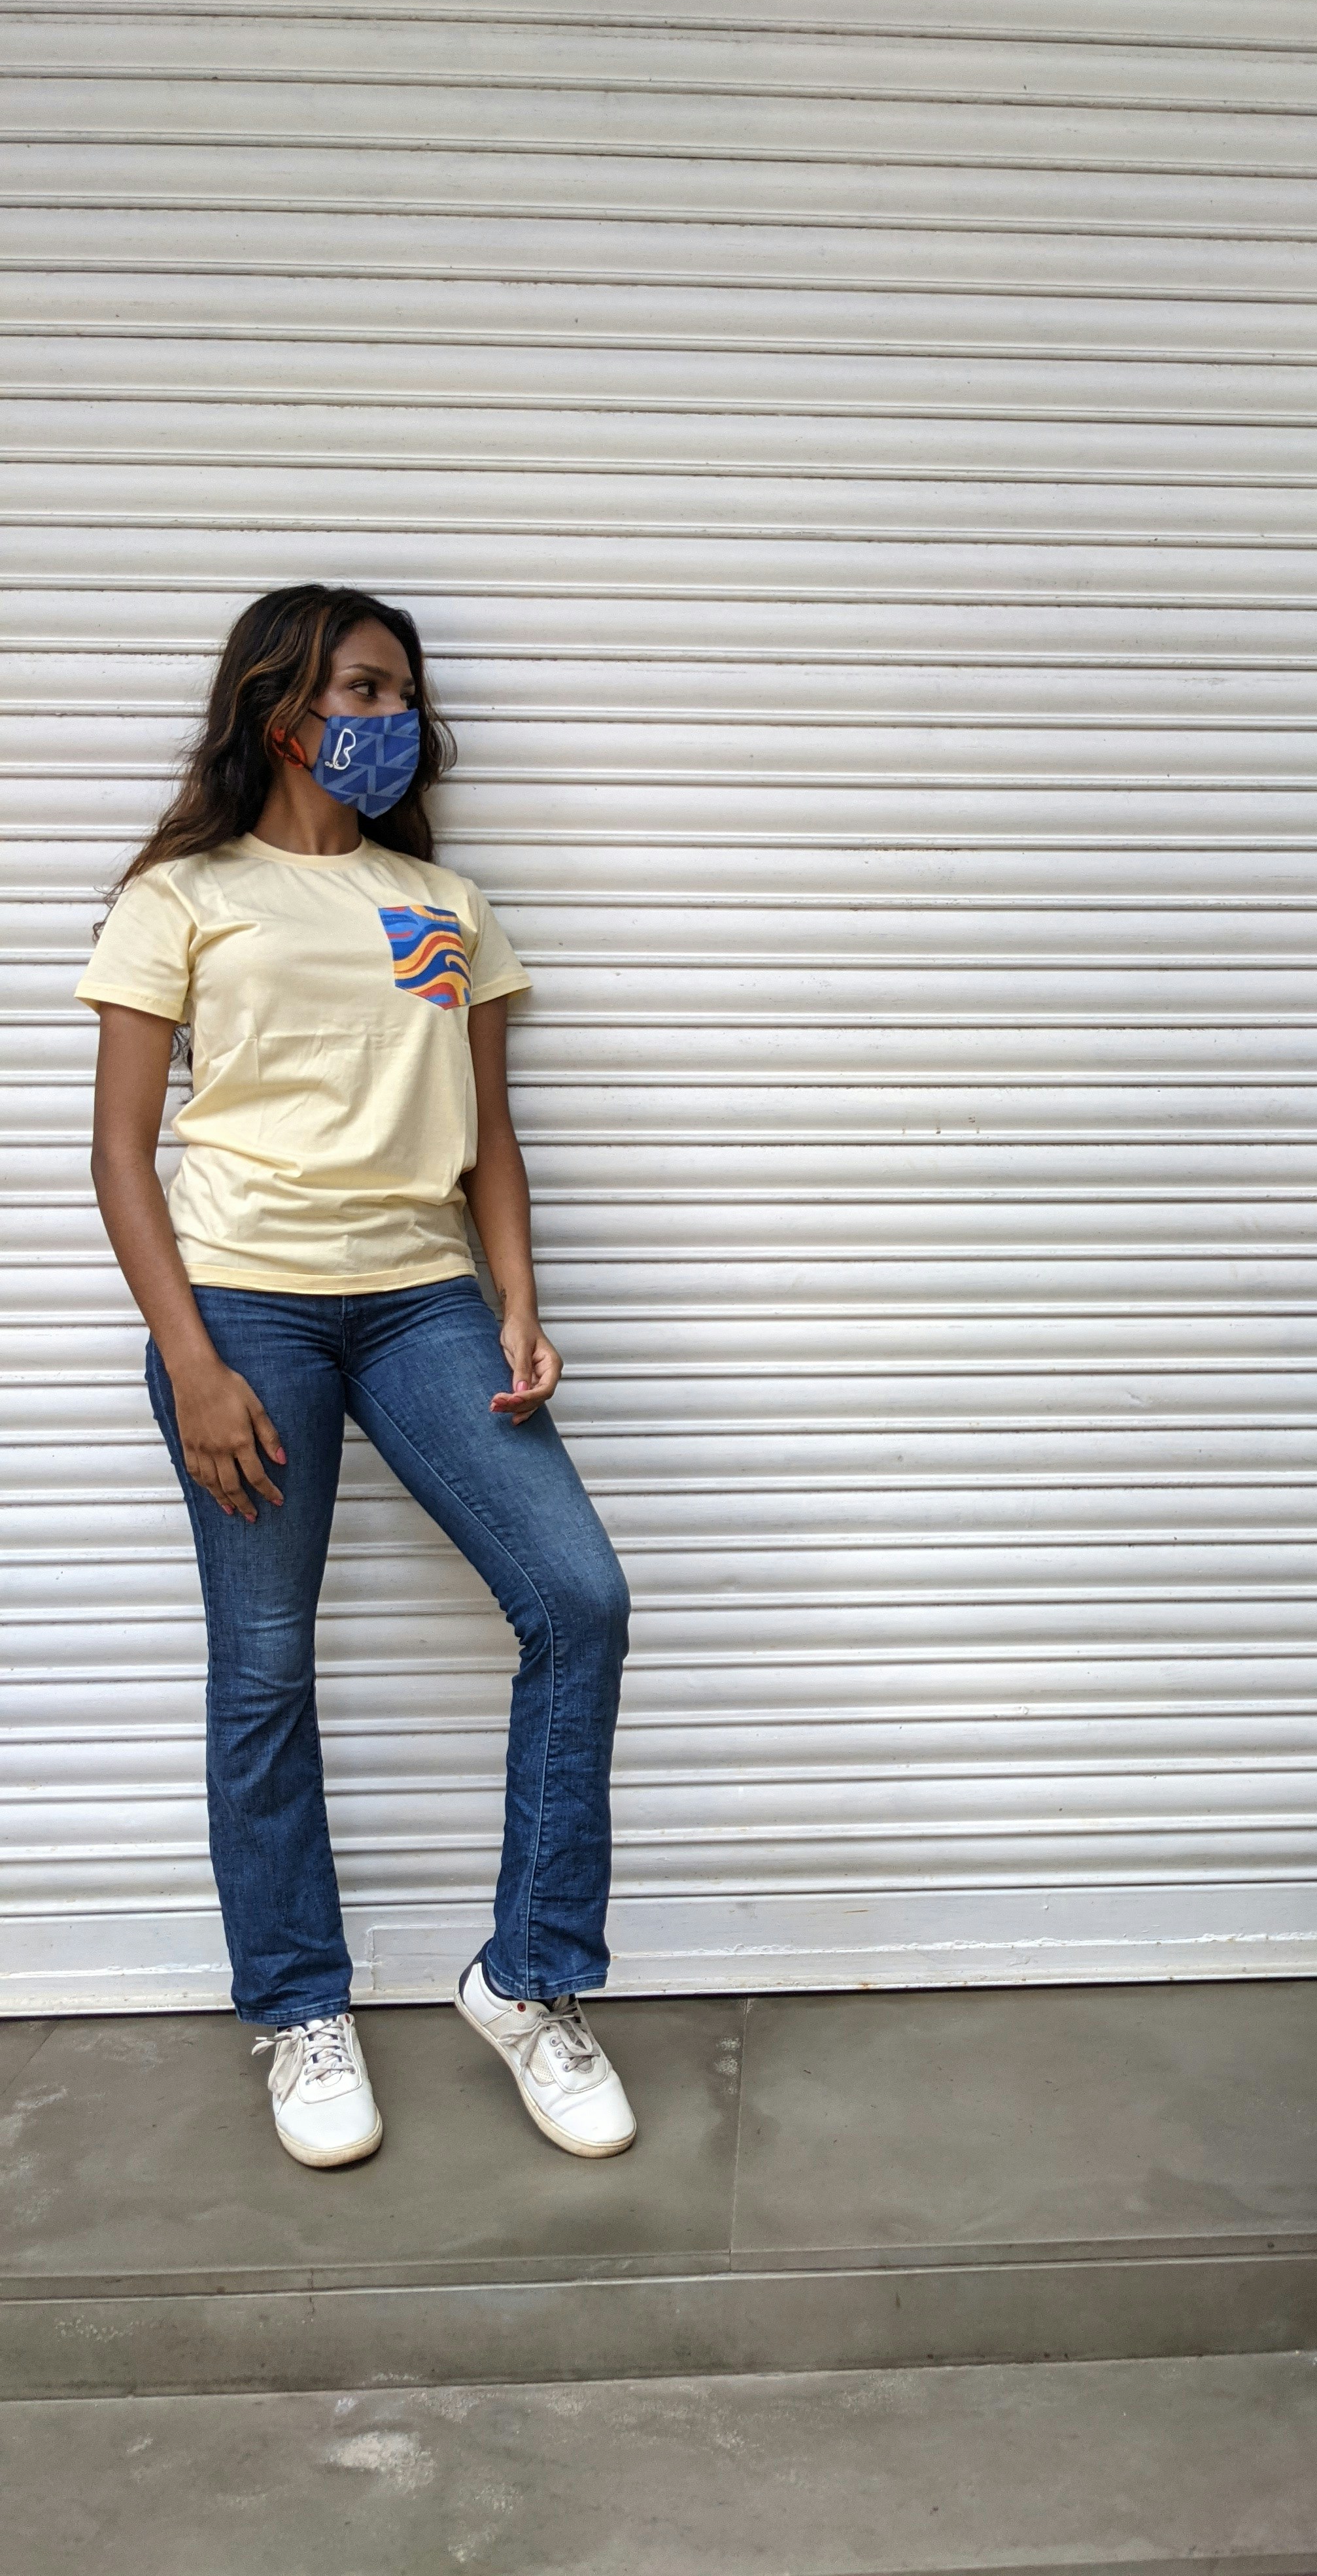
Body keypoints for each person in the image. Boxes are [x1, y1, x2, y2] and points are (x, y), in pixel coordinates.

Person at [80, 584, 638, 2170]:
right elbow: (123, 1154)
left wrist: (520, 1307)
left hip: (421, 1307)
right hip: (243, 1303)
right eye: (364, 686)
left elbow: (492, 1147)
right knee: (263, 1665)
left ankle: (530, 1980)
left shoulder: (446, 903)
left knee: (579, 1600)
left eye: (403, 688)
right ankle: (298, 2007)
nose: (393, 715)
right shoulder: (182, 898)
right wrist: (190, 1358)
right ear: (283, 708)